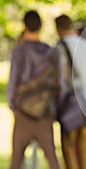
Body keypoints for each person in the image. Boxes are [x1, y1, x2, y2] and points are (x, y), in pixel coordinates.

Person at [7, 10, 60, 169]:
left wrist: (13, 106)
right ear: (41, 27)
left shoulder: (19, 51)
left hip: (22, 113)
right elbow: (59, 85)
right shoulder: (52, 52)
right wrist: (52, 108)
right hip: (44, 113)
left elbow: (13, 82)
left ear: (25, 26)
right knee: (52, 158)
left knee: (16, 159)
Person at [55, 14, 86, 169]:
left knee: (68, 147)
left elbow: (61, 75)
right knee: (83, 147)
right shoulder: (85, 44)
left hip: (71, 101)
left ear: (58, 28)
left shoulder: (60, 46)